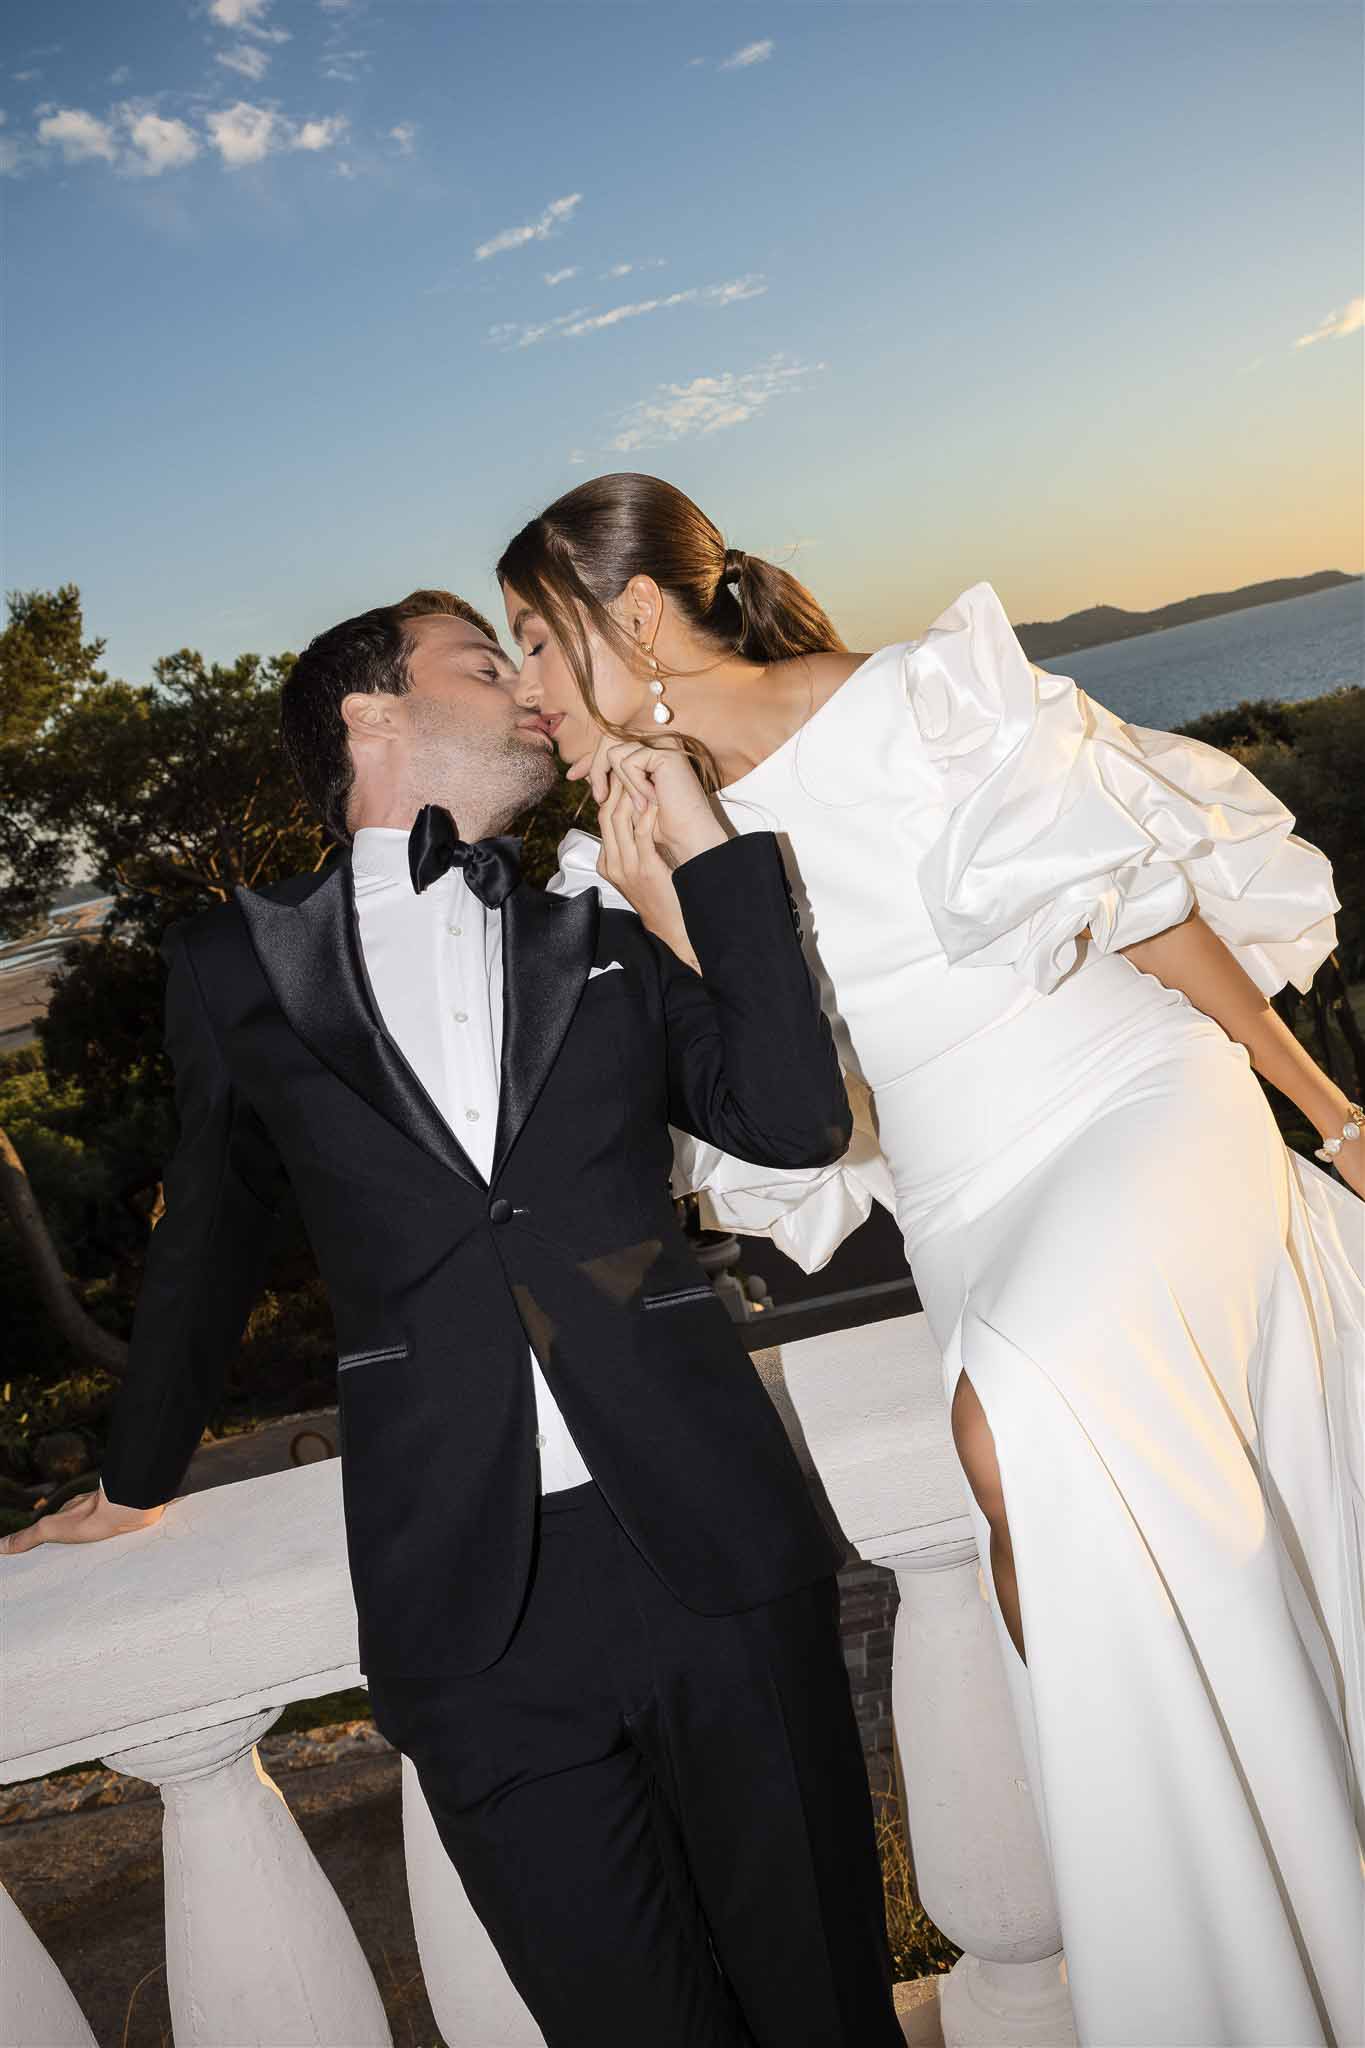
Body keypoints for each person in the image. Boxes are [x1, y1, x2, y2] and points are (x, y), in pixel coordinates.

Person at [497, 475, 1365, 2048]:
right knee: (1051, 1483)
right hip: (961, 1189)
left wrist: (1327, 1113)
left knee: (1010, 1412)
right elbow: (809, 1122)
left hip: (1129, 1099)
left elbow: (1143, 910)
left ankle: (1200, 1898)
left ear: (630, 614)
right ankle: (1206, 1918)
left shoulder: (912, 699)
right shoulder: (625, 840)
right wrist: (674, 904)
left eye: (535, 644)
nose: (529, 693)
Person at [0, 589, 907, 2048]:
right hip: (464, 1608)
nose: (528, 689)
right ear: (371, 713)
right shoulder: (235, 963)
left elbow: (796, 1122)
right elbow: (212, 1235)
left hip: (717, 1556)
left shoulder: (599, 922)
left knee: (823, 2015)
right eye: (483, 663)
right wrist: (135, 1472)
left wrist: (705, 850)